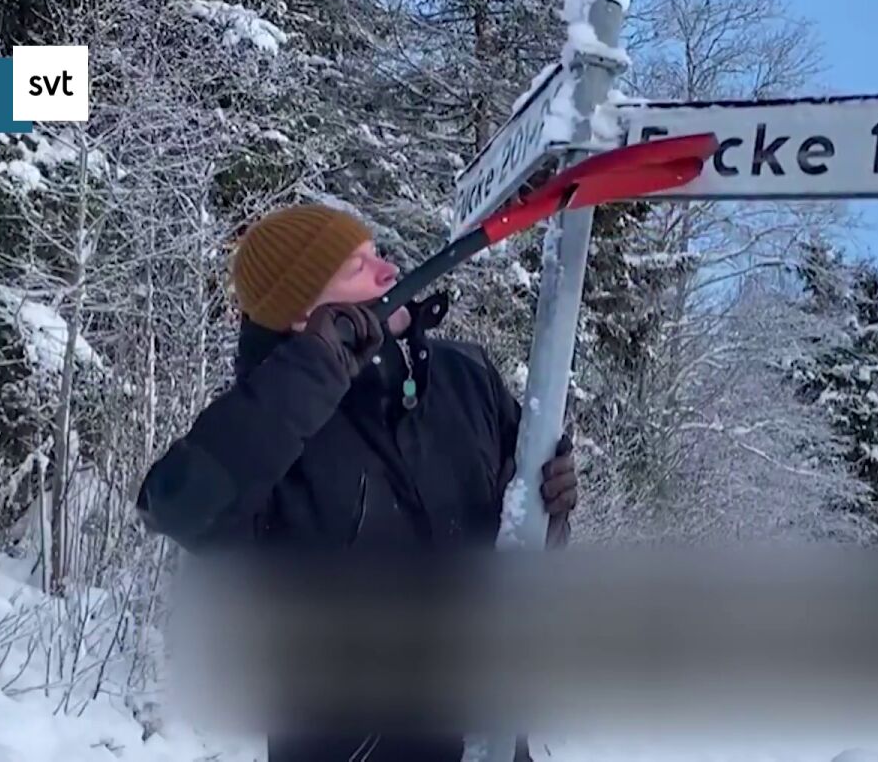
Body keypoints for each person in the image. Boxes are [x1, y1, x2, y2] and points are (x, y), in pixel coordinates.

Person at [136, 204, 578, 762]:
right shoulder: (267, 432)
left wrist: (549, 514)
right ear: (307, 315)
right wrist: (312, 370)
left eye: (377, 255)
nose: (389, 271)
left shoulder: (467, 377)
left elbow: (514, 549)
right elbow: (176, 505)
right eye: (356, 268)